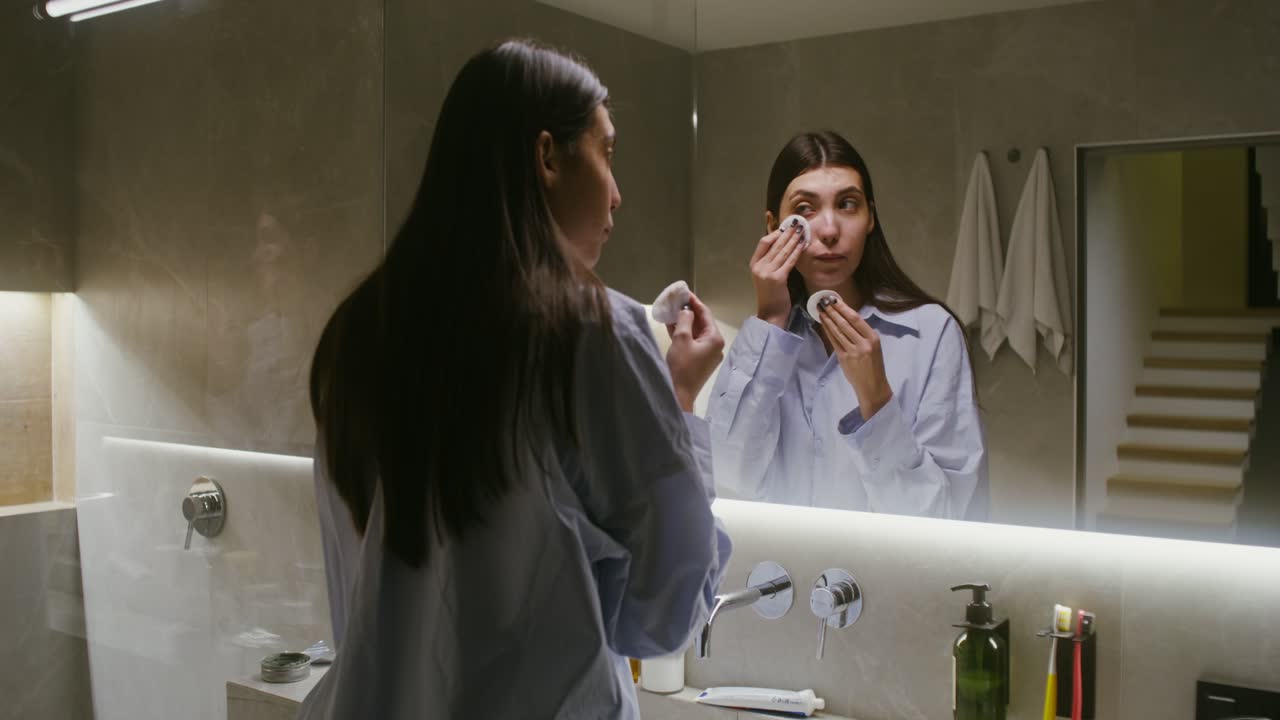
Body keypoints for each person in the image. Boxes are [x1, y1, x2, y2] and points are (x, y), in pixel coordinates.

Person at [299, 39, 730, 719]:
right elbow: (662, 616)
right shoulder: (592, 331)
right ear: (548, 157)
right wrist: (677, 405)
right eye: (606, 153)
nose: (617, 194)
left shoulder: (358, 335)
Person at [707, 130, 988, 520]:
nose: (828, 230)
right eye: (805, 208)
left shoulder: (931, 334)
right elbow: (725, 481)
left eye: (847, 204)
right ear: (774, 225)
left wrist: (876, 400)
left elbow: (945, 518)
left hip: (887, 579)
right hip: (781, 576)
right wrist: (769, 319)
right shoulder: (763, 341)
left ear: (870, 217)